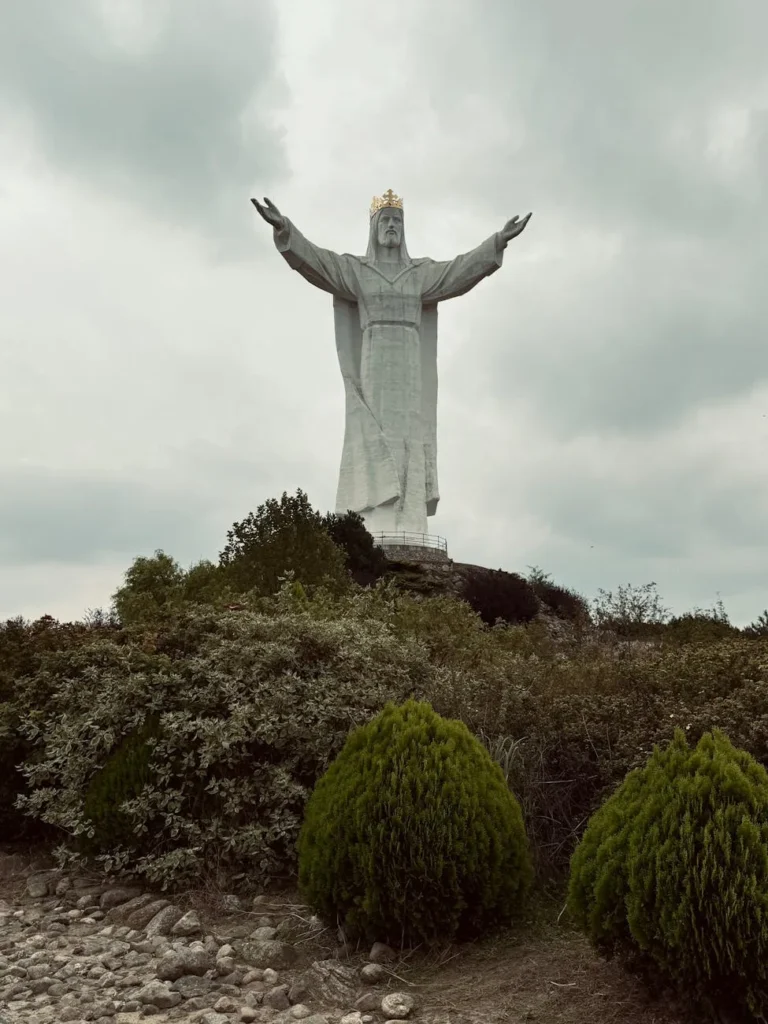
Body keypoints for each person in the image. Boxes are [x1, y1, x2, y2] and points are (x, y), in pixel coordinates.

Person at [252, 189, 531, 539]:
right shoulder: (358, 270)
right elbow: (319, 264)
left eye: (397, 221)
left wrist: (498, 241)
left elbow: (458, 272)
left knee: (410, 437)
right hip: (374, 360)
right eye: (385, 220)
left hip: (410, 364)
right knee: (376, 432)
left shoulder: (419, 273)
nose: (391, 226)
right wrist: (285, 229)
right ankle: (375, 520)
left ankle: (409, 518)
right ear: (373, 227)